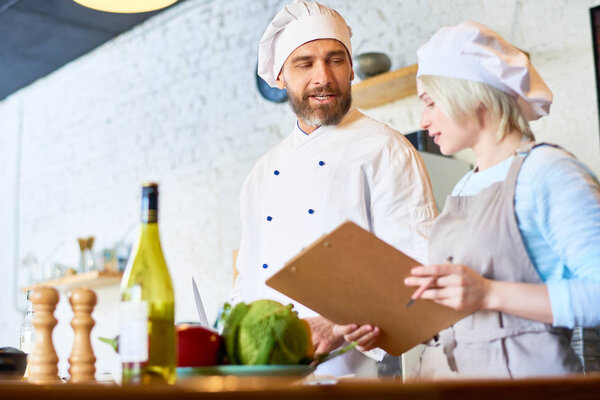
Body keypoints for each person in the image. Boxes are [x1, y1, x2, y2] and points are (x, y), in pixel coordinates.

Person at [336, 21, 600, 379]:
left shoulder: (548, 172)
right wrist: (387, 327)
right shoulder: (464, 187)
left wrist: (488, 293)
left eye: (430, 102)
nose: (424, 121)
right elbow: (456, 312)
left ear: (472, 95)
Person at [229, 0, 437, 377]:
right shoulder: (261, 174)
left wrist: (331, 325)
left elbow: (418, 269)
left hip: (361, 372)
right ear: (279, 78)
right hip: (268, 374)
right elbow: (247, 280)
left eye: (335, 59)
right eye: (304, 63)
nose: (323, 77)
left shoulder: (385, 149)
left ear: (352, 68)